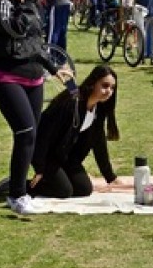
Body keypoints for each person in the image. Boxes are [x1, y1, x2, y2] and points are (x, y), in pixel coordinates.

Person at [0, 0, 72, 215]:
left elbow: (35, 42)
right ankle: (17, 195)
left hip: (33, 78)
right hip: (7, 78)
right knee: (25, 133)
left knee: (31, 135)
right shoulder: (2, 4)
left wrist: (53, 68)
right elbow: (17, 29)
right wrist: (31, 0)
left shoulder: (29, 5)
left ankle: (19, 186)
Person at [25, 65, 121, 198]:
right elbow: (44, 134)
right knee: (64, 191)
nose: (109, 91)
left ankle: (50, 181)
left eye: (112, 88)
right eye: (105, 85)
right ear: (93, 83)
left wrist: (110, 176)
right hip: (47, 155)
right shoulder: (73, 99)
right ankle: (21, 184)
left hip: (67, 157)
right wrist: (39, 168)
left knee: (84, 189)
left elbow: (99, 142)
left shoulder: (99, 109)